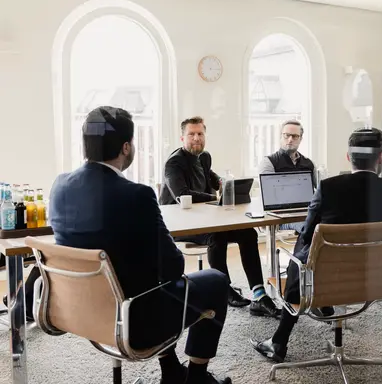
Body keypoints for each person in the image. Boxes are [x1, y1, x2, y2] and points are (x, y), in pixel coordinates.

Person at [48, 106, 231, 384]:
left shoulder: (59, 186)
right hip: (134, 320)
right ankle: (196, 379)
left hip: (81, 312)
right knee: (215, 281)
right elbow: (174, 266)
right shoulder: (137, 195)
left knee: (147, 280)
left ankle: (171, 371)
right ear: (125, 147)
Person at [251, 127, 382, 362]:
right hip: (376, 279)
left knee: (301, 252)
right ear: (380, 157)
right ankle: (320, 308)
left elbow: (306, 234)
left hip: (327, 279)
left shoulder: (329, 188)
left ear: (348, 156)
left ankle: (279, 342)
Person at [159, 117, 280, 318]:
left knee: (248, 233)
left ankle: (258, 295)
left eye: (200, 134)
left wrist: (226, 183)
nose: (196, 138)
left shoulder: (204, 157)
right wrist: (216, 197)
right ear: (182, 137)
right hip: (181, 224)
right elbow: (182, 195)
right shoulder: (173, 163)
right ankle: (223, 289)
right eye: (191, 134)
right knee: (218, 235)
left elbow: (214, 180)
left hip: (206, 219)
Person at [258, 120, 315, 233]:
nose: (290, 139)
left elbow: (319, 191)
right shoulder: (269, 162)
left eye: (295, 136)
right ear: (281, 136)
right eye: (286, 135)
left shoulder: (309, 163)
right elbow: (268, 195)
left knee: (327, 222)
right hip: (279, 216)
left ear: (300, 139)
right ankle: (304, 251)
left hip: (306, 210)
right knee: (308, 227)